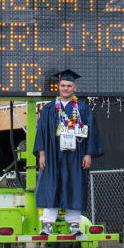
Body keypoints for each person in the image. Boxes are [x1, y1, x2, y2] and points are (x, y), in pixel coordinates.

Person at [33, 69, 103, 235]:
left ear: (74, 88)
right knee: (51, 185)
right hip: (52, 154)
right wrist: (42, 155)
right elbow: (41, 132)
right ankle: (47, 224)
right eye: (63, 85)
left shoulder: (83, 109)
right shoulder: (49, 109)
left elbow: (92, 131)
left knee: (75, 185)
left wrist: (88, 154)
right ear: (58, 87)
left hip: (75, 154)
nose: (65, 88)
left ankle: (74, 224)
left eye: (69, 85)